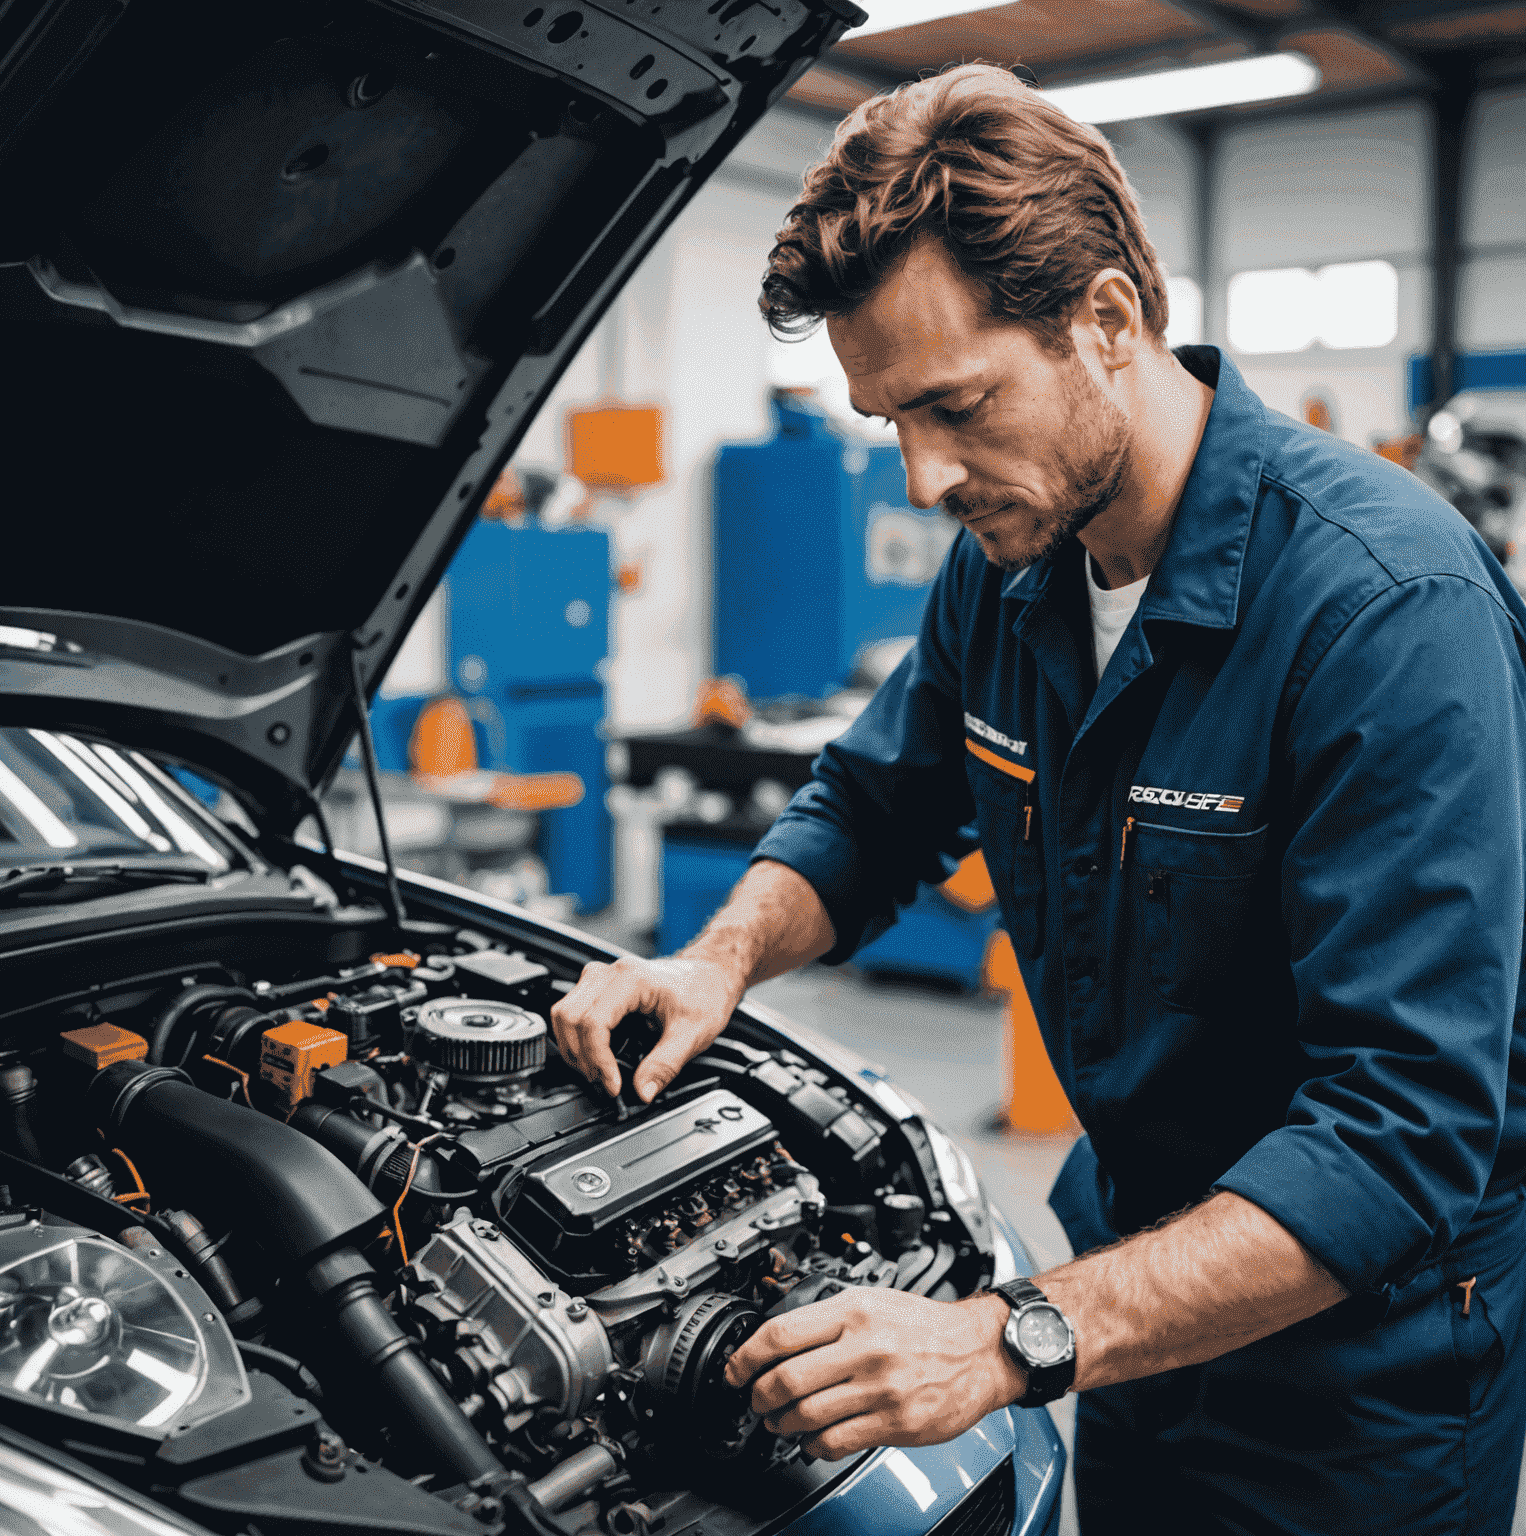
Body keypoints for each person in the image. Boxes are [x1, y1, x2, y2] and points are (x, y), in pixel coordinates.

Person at [552, 64, 1526, 1534]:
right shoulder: (1011, 569)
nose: (924, 474)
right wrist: (716, 958)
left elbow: (1397, 1134)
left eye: (954, 405)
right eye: (889, 420)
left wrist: (1004, 1339)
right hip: (1132, 1294)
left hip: (1358, 1384)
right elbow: (871, 808)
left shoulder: (1386, 612)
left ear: (1110, 322)